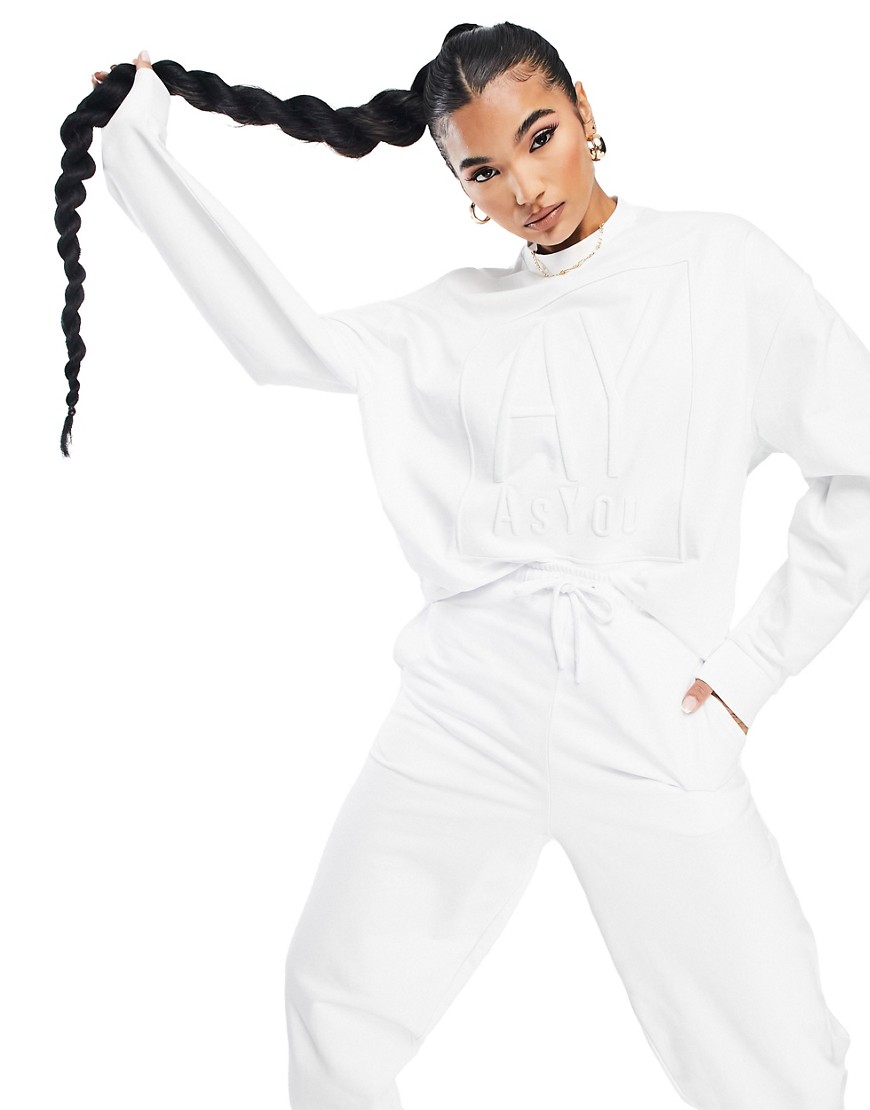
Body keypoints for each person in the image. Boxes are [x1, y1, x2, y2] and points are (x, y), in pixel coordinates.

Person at [56, 21, 868, 1110]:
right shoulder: (451, 318)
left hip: (647, 714)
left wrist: (750, 674)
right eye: (483, 170)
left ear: (585, 111)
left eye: (540, 137)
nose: (525, 188)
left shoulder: (721, 266)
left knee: (774, 1057)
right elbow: (284, 344)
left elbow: (860, 464)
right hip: (462, 709)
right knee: (334, 1002)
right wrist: (138, 153)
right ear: (459, 186)